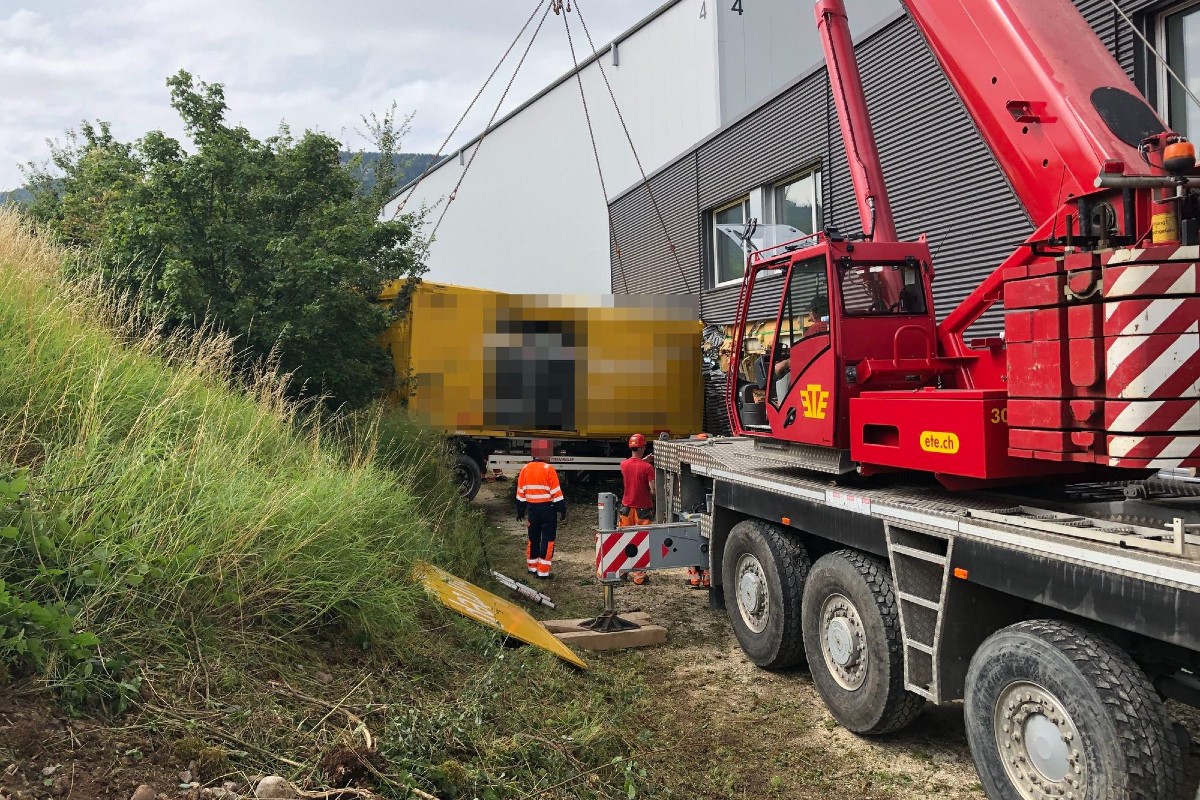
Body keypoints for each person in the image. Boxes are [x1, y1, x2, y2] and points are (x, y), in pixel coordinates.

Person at [515, 439, 566, 579]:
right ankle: (543, 571)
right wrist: (562, 509)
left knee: (533, 538)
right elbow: (556, 492)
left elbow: (520, 492)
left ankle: (532, 567)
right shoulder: (548, 469)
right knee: (548, 539)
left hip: (532, 509)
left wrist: (520, 510)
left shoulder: (525, 469)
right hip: (548, 509)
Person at [618, 433, 656, 585]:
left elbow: (633, 467)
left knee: (623, 539)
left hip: (626, 507)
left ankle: (622, 571)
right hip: (643, 508)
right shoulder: (648, 468)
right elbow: (652, 490)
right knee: (640, 541)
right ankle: (639, 576)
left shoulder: (623, 464)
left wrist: (643, 461)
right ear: (641, 448)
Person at [773, 293, 830, 378]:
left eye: (809, 312)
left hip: (814, 375)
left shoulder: (815, 329)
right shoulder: (833, 326)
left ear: (814, 313)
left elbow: (802, 356)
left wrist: (783, 364)